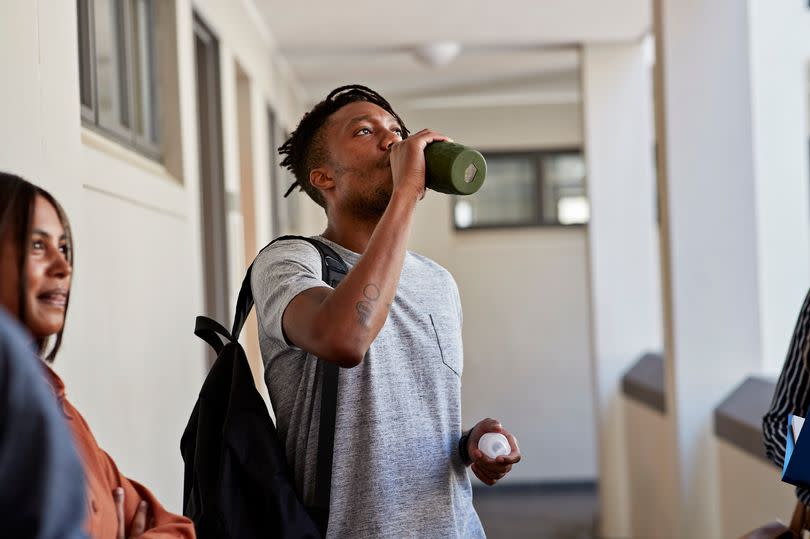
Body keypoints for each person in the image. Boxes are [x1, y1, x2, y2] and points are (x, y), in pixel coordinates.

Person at [252, 85, 521, 538]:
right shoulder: (289, 263)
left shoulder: (439, 283)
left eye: (396, 130)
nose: (392, 142)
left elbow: (403, 417)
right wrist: (406, 192)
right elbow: (344, 339)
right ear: (324, 178)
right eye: (365, 131)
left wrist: (466, 444)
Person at [0, 172, 195, 539]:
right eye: (37, 246)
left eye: (64, 248)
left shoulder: (59, 406)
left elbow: (175, 527)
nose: (63, 267)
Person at [0, 306, 88, 539]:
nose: (62, 270)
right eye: (35, 265)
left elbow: (174, 526)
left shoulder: (69, 418)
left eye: (71, 265)